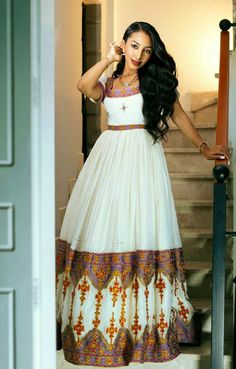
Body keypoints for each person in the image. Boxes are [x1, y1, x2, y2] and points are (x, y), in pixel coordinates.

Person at [56, 21, 229, 367]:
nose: (140, 55)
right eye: (134, 46)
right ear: (124, 45)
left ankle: (141, 329)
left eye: (147, 50)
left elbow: (180, 116)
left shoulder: (155, 84)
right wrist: (107, 59)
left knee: (140, 228)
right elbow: (82, 84)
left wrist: (204, 148)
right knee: (105, 231)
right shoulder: (109, 83)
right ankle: (103, 324)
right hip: (106, 163)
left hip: (142, 160)